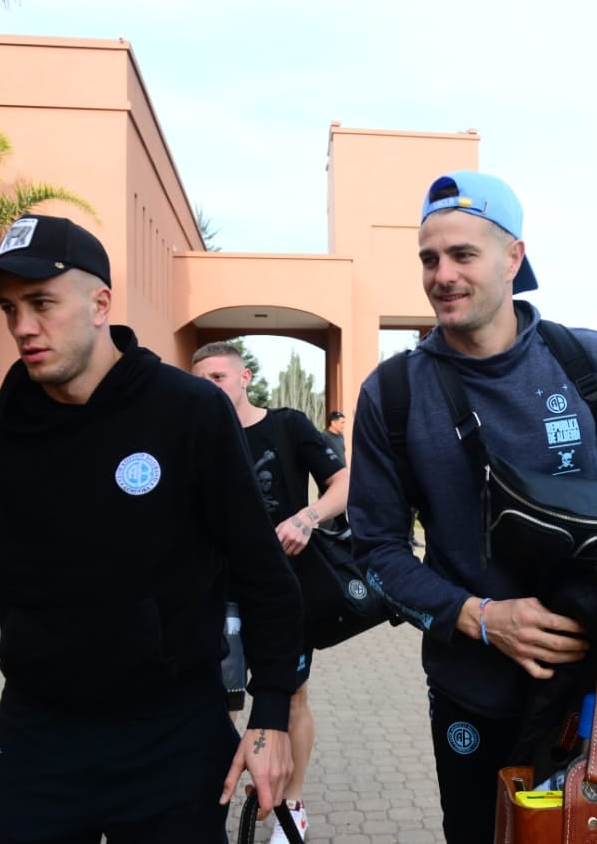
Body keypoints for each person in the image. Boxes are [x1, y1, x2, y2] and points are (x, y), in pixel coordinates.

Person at [0, 215, 302, 843]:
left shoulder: (188, 412)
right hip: (38, 735)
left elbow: (262, 573)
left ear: (100, 303)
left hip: (175, 733)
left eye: (42, 303)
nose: (24, 326)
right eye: (10, 309)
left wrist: (269, 716)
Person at [346, 170, 597, 843]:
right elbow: (375, 552)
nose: (441, 274)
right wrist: (482, 617)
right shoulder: (394, 394)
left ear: (513, 257)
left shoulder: (586, 361)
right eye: (429, 258)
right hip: (473, 695)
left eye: (462, 254)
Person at [192, 341, 350, 844]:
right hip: (215, 592)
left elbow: (346, 481)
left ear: (245, 378)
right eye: (200, 380)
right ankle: (211, 801)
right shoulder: (191, 434)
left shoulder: (286, 424)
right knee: (221, 702)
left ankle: (291, 805)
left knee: (291, 699)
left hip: (283, 592)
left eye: (218, 377)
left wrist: (308, 517)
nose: (208, 388)